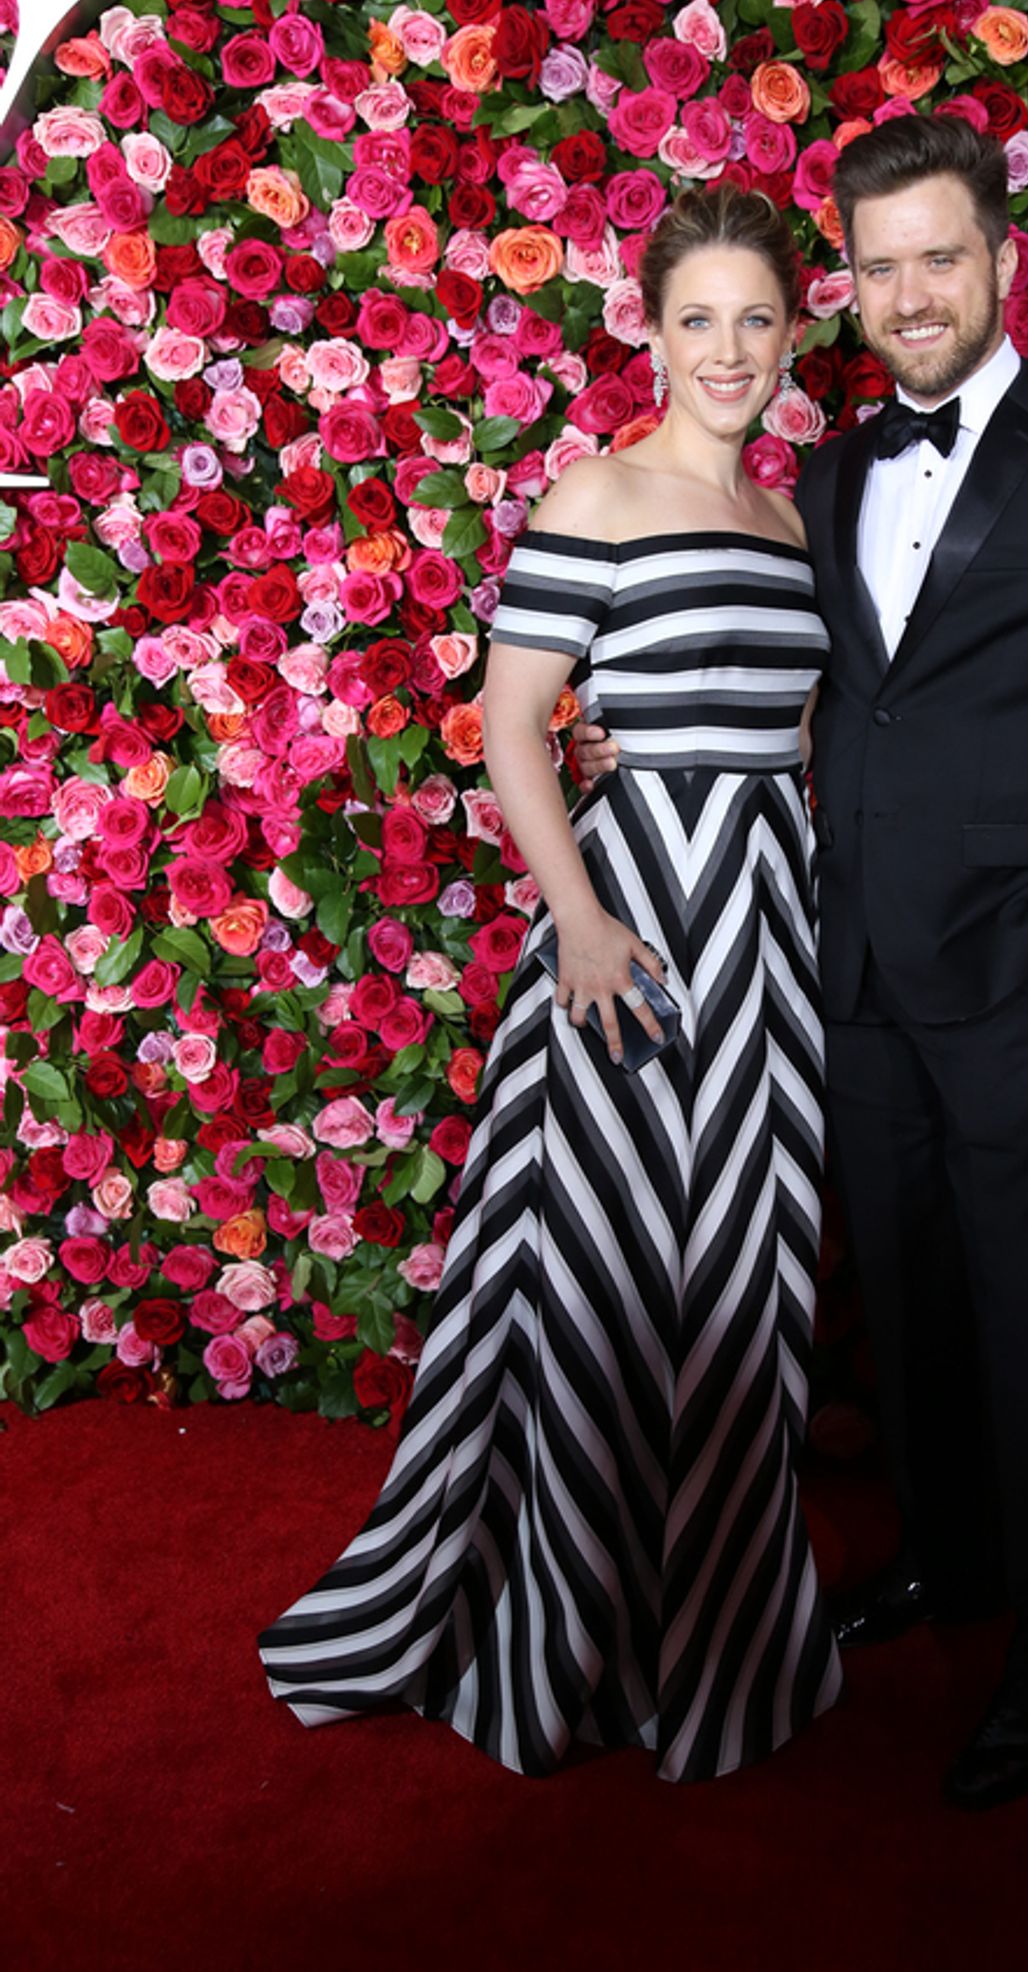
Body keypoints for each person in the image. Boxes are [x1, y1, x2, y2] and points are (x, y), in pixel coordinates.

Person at [576, 115, 1028, 1809]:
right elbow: (807, 693)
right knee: (908, 1308)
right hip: (846, 967)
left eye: (935, 257)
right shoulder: (824, 472)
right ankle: (946, 1565)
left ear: (1003, 261)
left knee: (1026, 1316)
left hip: (1018, 974)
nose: (906, 295)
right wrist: (633, 761)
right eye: (876, 269)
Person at [256, 183, 842, 1783]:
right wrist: (577, 918)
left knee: (742, 1277)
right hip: (631, 921)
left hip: (765, 935)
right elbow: (520, 725)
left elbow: (794, 737)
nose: (728, 350)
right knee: (599, 1285)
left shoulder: (793, 521)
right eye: (697, 319)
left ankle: (714, 1637)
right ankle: (562, 1638)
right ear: (651, 333)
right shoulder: (599, 491)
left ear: (798, 334)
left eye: (757, 319)